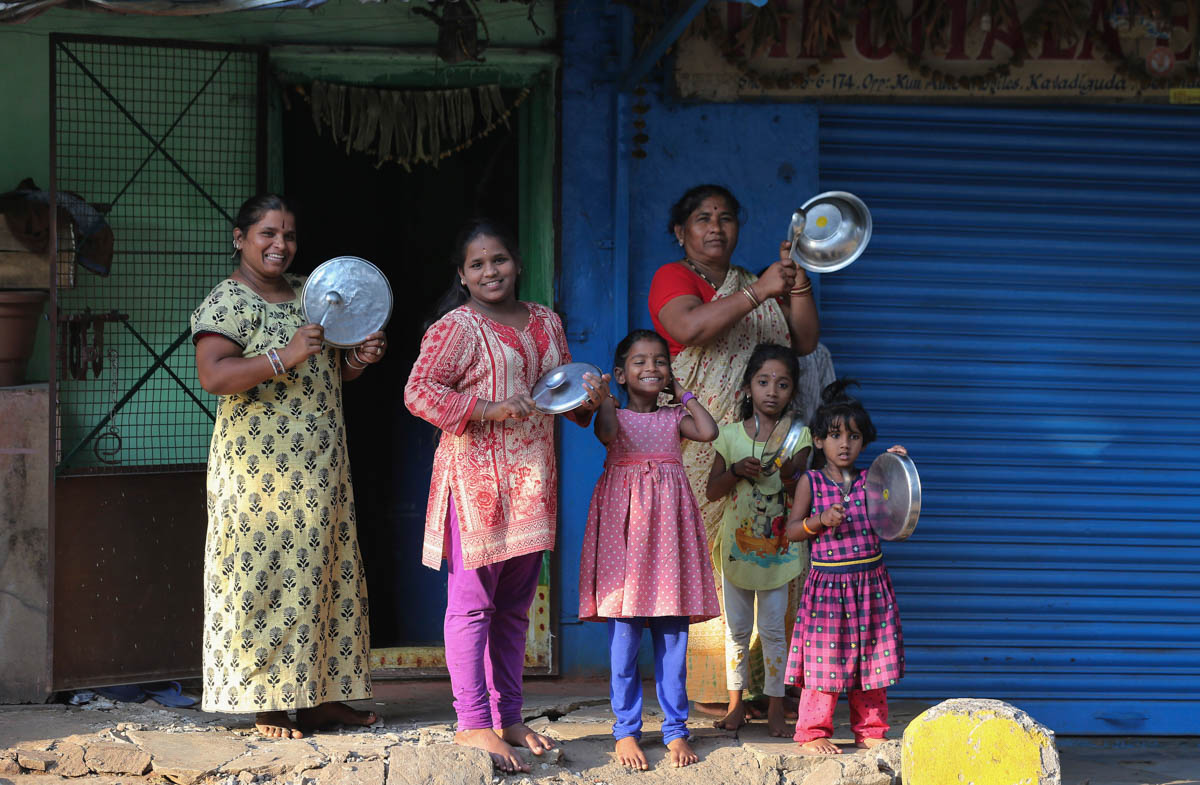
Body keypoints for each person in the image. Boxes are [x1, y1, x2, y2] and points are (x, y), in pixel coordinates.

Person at [403, 219, 608, 774]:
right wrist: (488, 409)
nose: (490, 271)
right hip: (475, 483)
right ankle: (473, 724)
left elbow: (562, 399)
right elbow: (418, 392)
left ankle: (509, 716)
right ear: (463, 276)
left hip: (532, 481)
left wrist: (590, 400)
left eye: (499, 260)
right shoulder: (456, 327)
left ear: (517, 264)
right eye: (477, 264)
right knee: (472, 605)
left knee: (516, 608)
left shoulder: (546, 321)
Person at [190, 194, 386, 739]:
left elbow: (330, 372)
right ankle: (269, 703)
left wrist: (357, 360)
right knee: (264, 576)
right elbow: (215, 376)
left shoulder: (312, 293)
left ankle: (319, 699)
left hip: (319, 464)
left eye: (290, 235)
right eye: (267, 234)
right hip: (258, 473)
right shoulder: (228, 301)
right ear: (240, 238)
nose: (281, 244)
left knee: (321, 573)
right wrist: (285, 354)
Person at [648, 184, 820, 714]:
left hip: (766, 443)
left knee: (776, 553)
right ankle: (712, 685)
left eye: (725, 217)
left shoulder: (758, 281)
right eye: (703, 218)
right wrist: (761, 292)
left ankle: (775, 684)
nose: (715, 227)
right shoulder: (673, 278)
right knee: (708, 562)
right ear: (681, 232)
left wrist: (798, 285)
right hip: (701, 446)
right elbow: (688, 327)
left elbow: (806, 341)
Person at [578, 329, 720, 770]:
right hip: (626, 538)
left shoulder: (674, 417)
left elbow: (708, 430)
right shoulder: (614, 414)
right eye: (640, 362)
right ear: (620, 374)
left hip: (669, 539)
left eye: (660, 361)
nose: (652, 368)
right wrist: (603, 396)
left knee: (674, 639)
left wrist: (684, 392)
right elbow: (604, 433)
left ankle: (677, 729)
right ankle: (625, 730)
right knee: (624, 640)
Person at [782, 380, 908, 754]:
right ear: (818, 441)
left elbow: (899, 504)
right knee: (824, 662)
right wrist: (819, 521)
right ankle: (813, 731)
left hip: (870, 584)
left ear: (863, 442)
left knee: (872, 661)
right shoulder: (812, 481)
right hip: (828, 588)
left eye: (853, 436)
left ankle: (870, 731)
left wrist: (899, 463)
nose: (844, 444)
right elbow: (791, 531)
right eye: (835, 435)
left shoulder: (874, 479)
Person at [705, 343, 813, 737]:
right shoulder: (729, 436)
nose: (772, 390)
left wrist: (785, 473)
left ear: (792, 393)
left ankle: (775, 705)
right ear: (748, 387)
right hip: (736, 549)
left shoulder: (799, 438)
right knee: (735, 630)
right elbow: (713, 490)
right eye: (763, 381)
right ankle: (736, 704)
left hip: (779, 552)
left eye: (782, 384)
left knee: (772, 630)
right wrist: (735, 470)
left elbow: (797, 484)